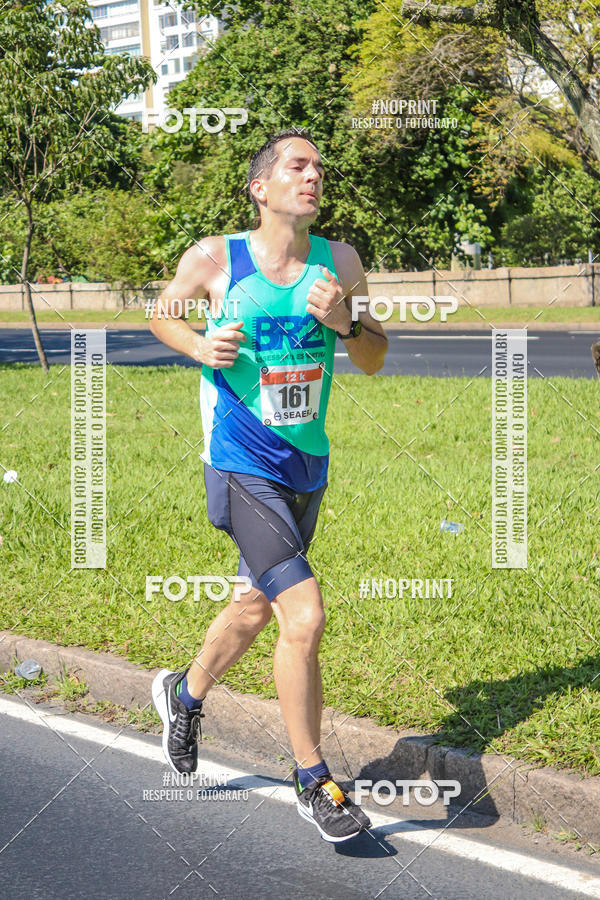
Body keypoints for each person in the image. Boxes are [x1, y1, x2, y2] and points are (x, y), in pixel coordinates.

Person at [150, 128, 388, 842]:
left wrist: (345, 320)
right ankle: (315, 781)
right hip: (240, 460)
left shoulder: (340, 261)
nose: (313, 174)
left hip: (305, 464)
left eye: (319, 165)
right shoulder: (214, 257)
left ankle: (184, 695)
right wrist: (199, 344)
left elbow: (374, 358)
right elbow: (161, 315)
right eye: (297, 165)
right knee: (303, 615)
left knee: (257, 603)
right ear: (262, 188)